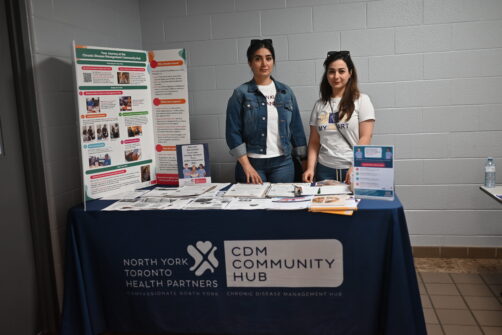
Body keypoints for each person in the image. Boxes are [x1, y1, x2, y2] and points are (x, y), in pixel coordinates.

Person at [226, 39, 307, 184]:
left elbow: (296, 129)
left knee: (281, 205)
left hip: (283, 163)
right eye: (258, 59)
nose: (264, 63)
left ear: (273, 62)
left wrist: (304, 162)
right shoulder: (241, 93)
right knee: (254, 206)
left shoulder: (286, 92)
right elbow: (233, 132)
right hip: (252, 164)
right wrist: (246, 166)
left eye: (268, 58)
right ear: (250, 63)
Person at [303, 51, 375, 184]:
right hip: (324, 170)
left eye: (341, 71)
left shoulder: (362, 100)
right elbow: (314, 141)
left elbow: (366, 137)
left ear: (350, 73)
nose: (336, 76)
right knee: (327, 205)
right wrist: (310, 168)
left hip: (352, 169)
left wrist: (356, 166)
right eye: (331, 72)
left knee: (352, 205)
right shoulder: (319, 105)